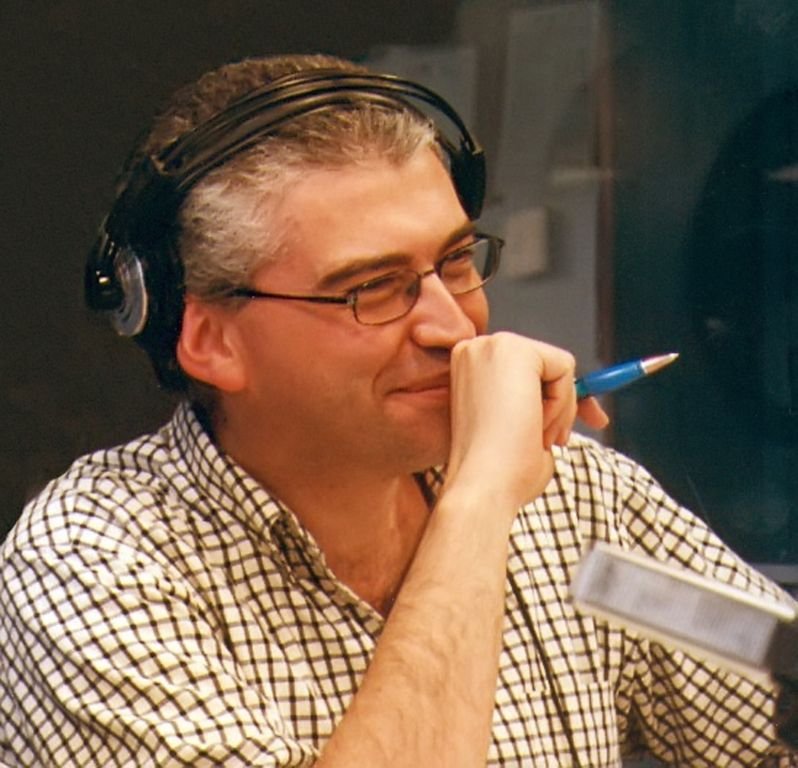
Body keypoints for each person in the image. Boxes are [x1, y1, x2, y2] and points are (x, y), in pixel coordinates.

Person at [0, 53, 795, 767]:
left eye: (457, 261)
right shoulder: (87, 565)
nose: (453, 325)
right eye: (373, 289)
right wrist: (478, 505)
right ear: (210, 340)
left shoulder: (580, 498)